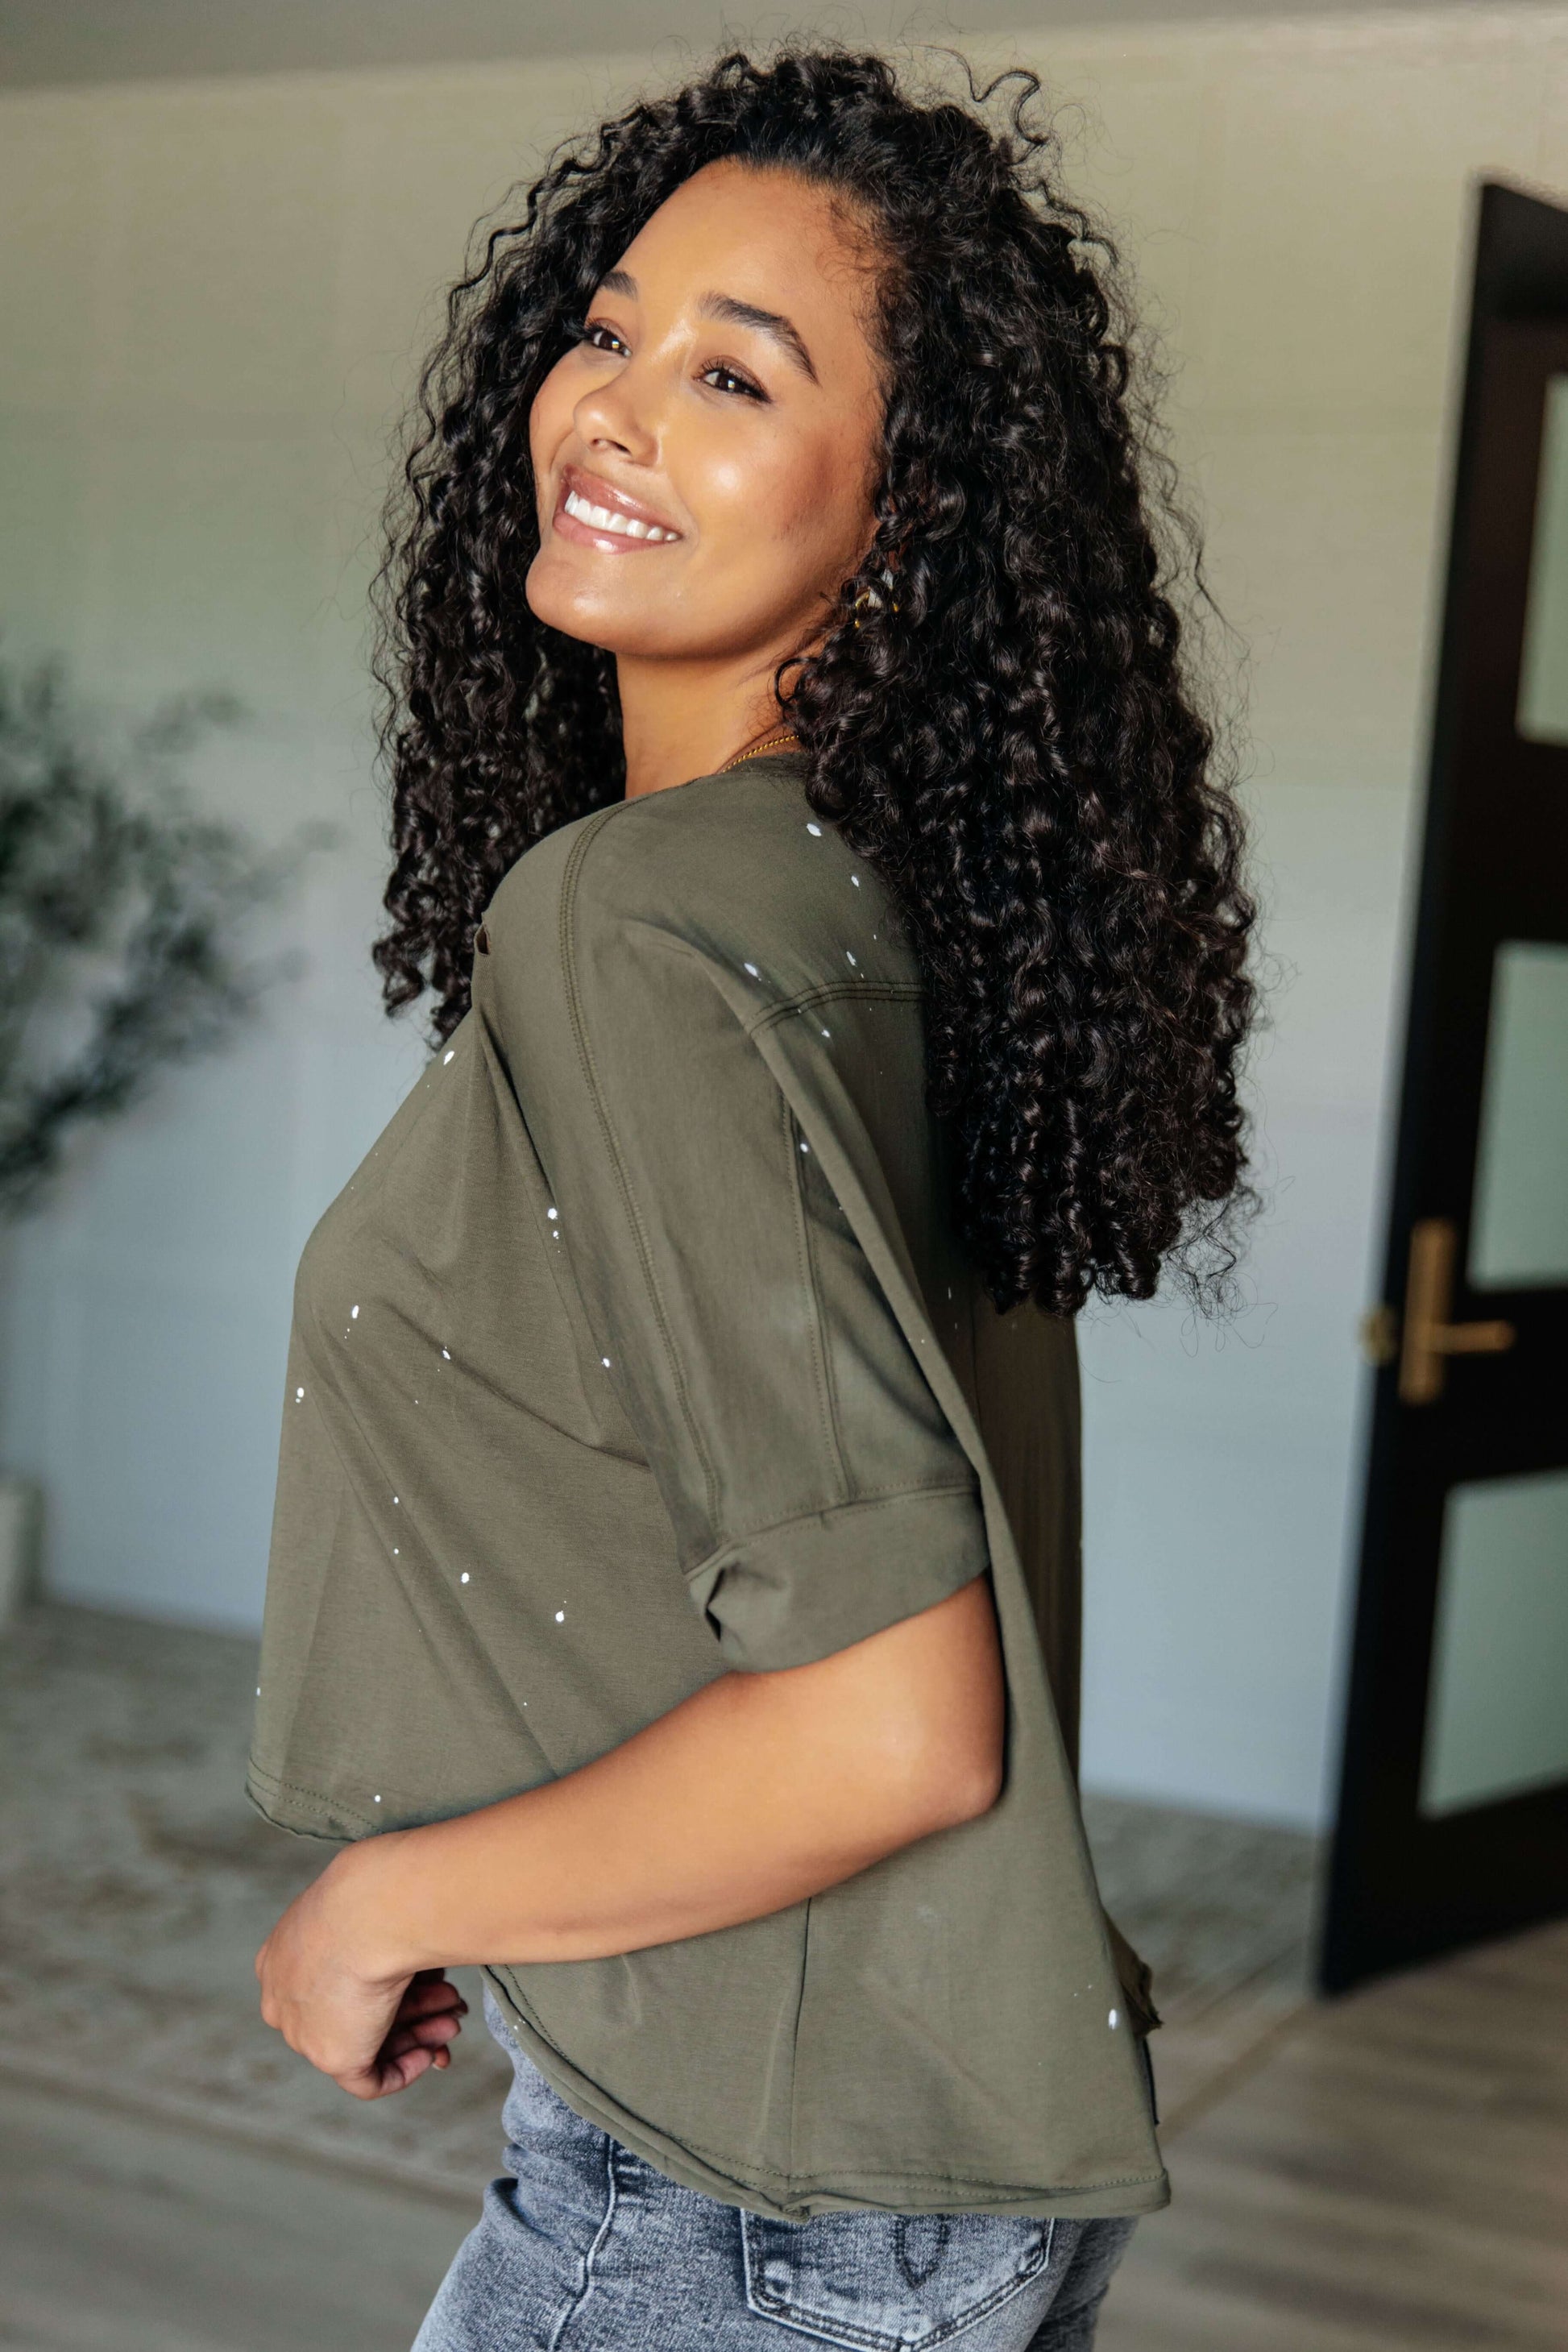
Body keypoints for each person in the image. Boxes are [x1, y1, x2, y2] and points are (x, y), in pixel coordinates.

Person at [250, 48, 1254, 2350]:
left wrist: (379, 1900)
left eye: (733, 373)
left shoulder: (635, 926)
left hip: (745, 2210)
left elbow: (887, 1721)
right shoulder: (869, 899)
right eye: (606, 332)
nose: (611, 409)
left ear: (906, 507)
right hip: (908, 2148)